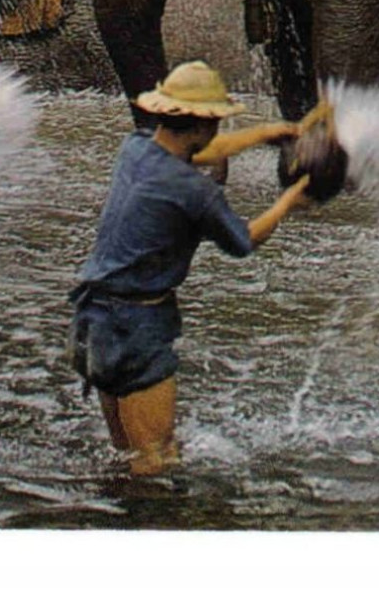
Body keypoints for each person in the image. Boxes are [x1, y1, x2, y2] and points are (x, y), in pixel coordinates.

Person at [69, 61, 311, 476]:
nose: (217, 130)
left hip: (92, 320)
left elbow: (202, 152)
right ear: (200, 124)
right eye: (215, 121)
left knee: (125, 454)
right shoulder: (194, 191)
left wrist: (265, 134)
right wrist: (290, 200)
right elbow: (244, 240)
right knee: (156, 457)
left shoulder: (136, 148)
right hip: (137, 327)